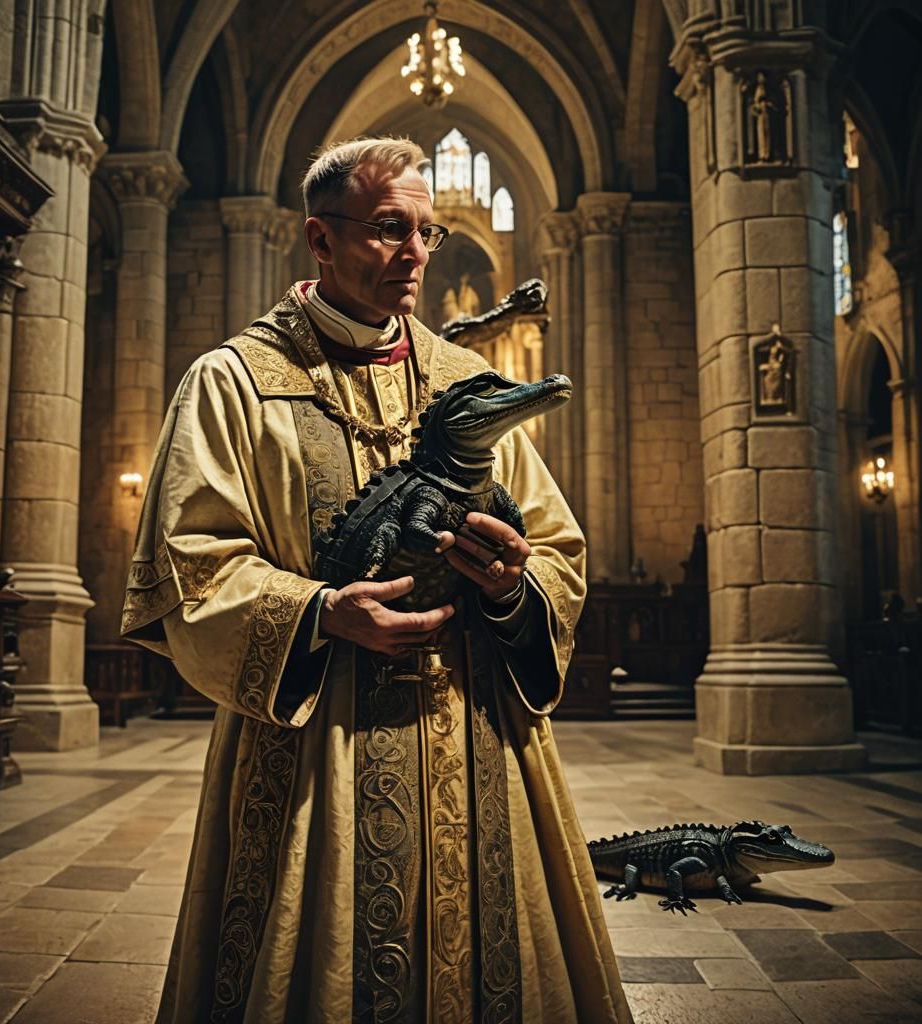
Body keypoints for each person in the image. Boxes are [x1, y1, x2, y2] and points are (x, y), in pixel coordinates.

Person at [122, 137, 632, 1024]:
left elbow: (556, 547)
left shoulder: (466, 382)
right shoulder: (234, 383)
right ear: (320, 240)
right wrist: (318, 613)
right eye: (390, 231)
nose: (416, 256)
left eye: (426, 234)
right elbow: (189, 564)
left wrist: (514, 584)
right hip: (319, 745)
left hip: (474, 728)